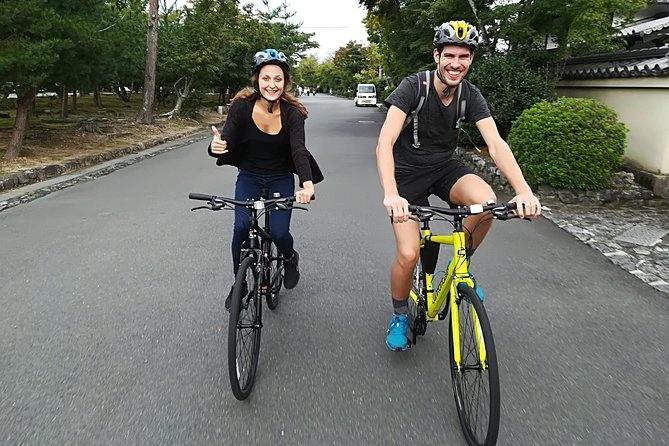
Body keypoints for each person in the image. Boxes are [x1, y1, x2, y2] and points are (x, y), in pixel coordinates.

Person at [375, 21, 542, 351]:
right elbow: (385, 142)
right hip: (407, 176)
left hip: (444, 169)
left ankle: (461, 266)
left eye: (463, 57)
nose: (456, 63)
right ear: (436, 55)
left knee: (486, 204)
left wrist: (523, 190)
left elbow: (495, 144)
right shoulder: (414, 87)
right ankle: (399, 315)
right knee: (409, 254)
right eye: (449, 55)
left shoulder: (470, 95)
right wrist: (392, 194)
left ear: (471, 60)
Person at [208, 48, 324, 311]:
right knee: (240, 228)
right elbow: (226, 141)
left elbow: (298, 150)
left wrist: (306, 184)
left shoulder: (294, 114)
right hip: (249, 175)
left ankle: (289, 257)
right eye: (266, 78)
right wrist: (215, 146)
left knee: (278, 231)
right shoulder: (241, 107)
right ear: (256, 80)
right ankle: (240, 282)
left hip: (280, 177)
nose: (272, 84)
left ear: (286, 82)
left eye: (278, 79)